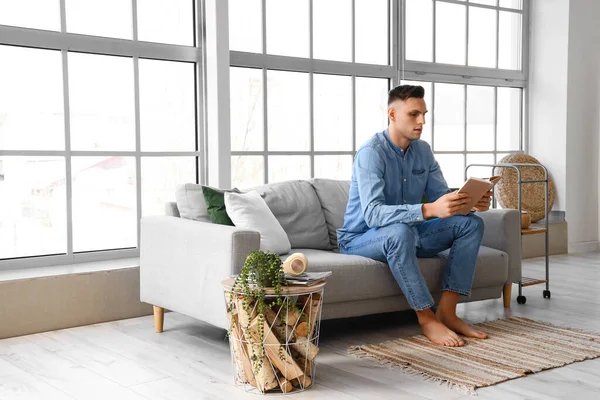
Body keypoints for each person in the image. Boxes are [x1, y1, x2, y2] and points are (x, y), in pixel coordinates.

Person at [337, 84, 492, 347]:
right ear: (392, 115)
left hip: (412, 232)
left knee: (470, 224)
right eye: (413, 114)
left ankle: (448, 312)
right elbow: (373, 214)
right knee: (399, 231)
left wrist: (467, 202)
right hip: (361, 238)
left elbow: (440, 195)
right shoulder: (371, 154)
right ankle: (426, 318)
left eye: (424, 114)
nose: (421, 121)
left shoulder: (423, 150)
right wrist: (429, 209)